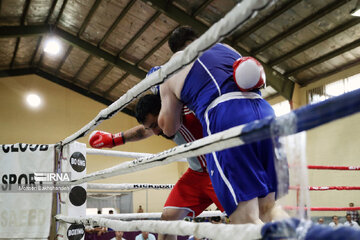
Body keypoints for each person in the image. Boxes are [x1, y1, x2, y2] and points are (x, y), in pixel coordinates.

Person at [157, 26, 289, 224]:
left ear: (174, 51)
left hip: (226, 114)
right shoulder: (226, 48)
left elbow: (169, 127)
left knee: (244, 216)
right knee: (268, 208)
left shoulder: (171, 68)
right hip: (265, 111)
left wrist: (169, 95)